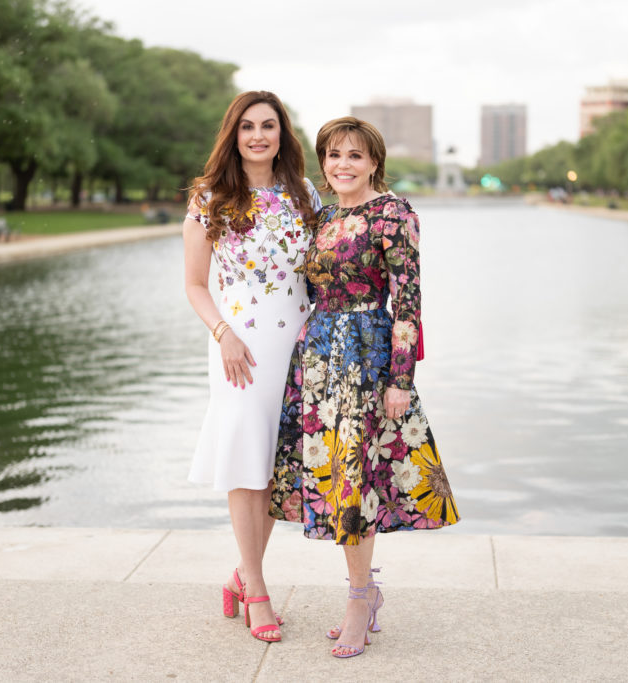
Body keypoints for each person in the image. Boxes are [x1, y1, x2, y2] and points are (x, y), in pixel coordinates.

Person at [270, 117, 460, 658]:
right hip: (319, 359)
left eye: (354, 155)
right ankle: (365, 589)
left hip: (367, 358)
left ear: (374, 161)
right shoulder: (325, 215)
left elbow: (407, 302)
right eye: (332, 155)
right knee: (337, 480)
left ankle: (359, 599)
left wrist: (401, 380)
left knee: (356, 483)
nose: (342, 165)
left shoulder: (393, 214)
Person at [182, 91, 321, 643]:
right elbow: (194, 284)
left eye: (268, 126)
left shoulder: (303, 193)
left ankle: (242, 575)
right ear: (233, 135)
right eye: (247, 127)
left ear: (282, 134)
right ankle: (257, 591)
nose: (258, 135)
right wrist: (224, 334)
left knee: (274, 465)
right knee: (245, 459)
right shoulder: (209, 196)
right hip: (239, 346)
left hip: (298, 343)